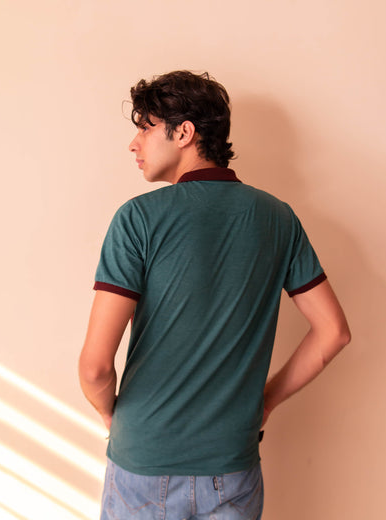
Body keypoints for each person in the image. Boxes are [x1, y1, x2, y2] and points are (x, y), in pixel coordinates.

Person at [79, 70, 351, 520]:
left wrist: (114, 418)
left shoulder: (138, 219)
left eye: (145, 127)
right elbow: (333, 332)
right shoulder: (278, 219)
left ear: (183, 132)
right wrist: (265, 401)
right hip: (233, 467)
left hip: (145, 461)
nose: (133, 143)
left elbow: (94, 368)